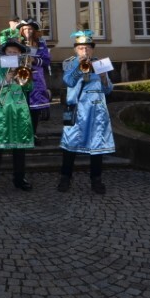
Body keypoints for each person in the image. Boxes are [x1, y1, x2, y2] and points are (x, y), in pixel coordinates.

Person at [58, 31, 114, 194]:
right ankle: (65, 177)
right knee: (70, 146)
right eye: (81, 48)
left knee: (97, 146)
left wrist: (104, 78)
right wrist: (79, 68)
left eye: (88, 48)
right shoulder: (69, 64)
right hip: (77, 111)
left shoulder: (100, 63)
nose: (85, 51)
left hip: (97, 112)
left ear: (92, 49)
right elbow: (68, 81)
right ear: (76, 50)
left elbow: (108, 90)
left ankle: (96, 179)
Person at [0, 35, 34, 191]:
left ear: (19, 54)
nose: (12, 54)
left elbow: (29, 88)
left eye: (15, 52)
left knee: (19, 146)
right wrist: (5, 79)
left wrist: (23, 76)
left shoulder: (22, 67)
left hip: (19, 110)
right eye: (10, 52)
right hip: (0, 110)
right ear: (4, 53)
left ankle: (19, 178)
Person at [18, 20, 52, 132]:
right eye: (25, 29)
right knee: (21, 106)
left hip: (36, 79)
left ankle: (33, 132)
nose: (27, 31)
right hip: (20, 78)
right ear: (21, 31)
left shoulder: (41, 44)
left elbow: (46, 61)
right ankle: (23, 133)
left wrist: (34, 60)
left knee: (35, 108)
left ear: (34, 30)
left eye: (30, 29)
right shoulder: (18, 43)